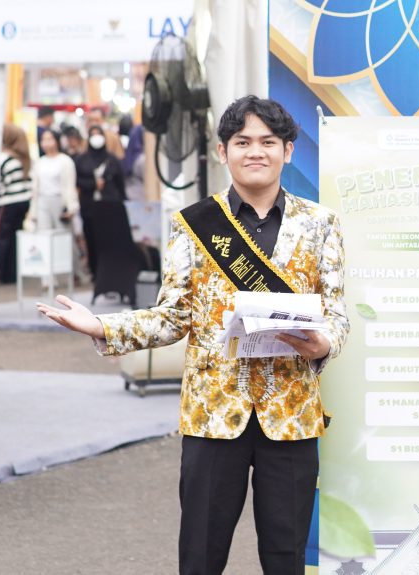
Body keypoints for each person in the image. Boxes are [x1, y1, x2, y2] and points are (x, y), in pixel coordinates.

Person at [36, 96, 349, 575]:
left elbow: (336, 315)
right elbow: (173, 316)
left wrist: (325, 343)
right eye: (242, 142)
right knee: (200, 555)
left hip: (290, 413)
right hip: (211, 413)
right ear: (223, 151)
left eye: (268, 142)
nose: (255, 151)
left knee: (286, 559)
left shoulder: (321, 225)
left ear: (288, 150)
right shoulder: (194, 225)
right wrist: (102, 325)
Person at [75, 124, 126, 278]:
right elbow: (77, 181)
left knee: (109, 239)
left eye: (99, 134)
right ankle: (95, 270)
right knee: (91, 238)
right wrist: (92, 184)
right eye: (93, 134)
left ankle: (110, 271)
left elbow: (120, 183)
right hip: (89, 207)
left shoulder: (112, 159)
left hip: (109, 205)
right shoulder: (81, 160)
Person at [0, 124, 34, 285]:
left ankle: (1, 273)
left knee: (3, 238)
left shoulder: (4, 159)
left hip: (7, 203)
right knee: (15, 237)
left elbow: (0, 185)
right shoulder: (24, 159)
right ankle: (12, 273)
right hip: (23, 202)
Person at [27, 129, 79, 231]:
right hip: (42, 201)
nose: (46, 143)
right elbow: (35, 187)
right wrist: (32, 211)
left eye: (50, 139)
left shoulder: (65, 161)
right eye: (44, 140)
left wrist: (71, 207)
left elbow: (70, 186)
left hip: (59, 200)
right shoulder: (39, 163)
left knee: (62, 232)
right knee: (43, 231)